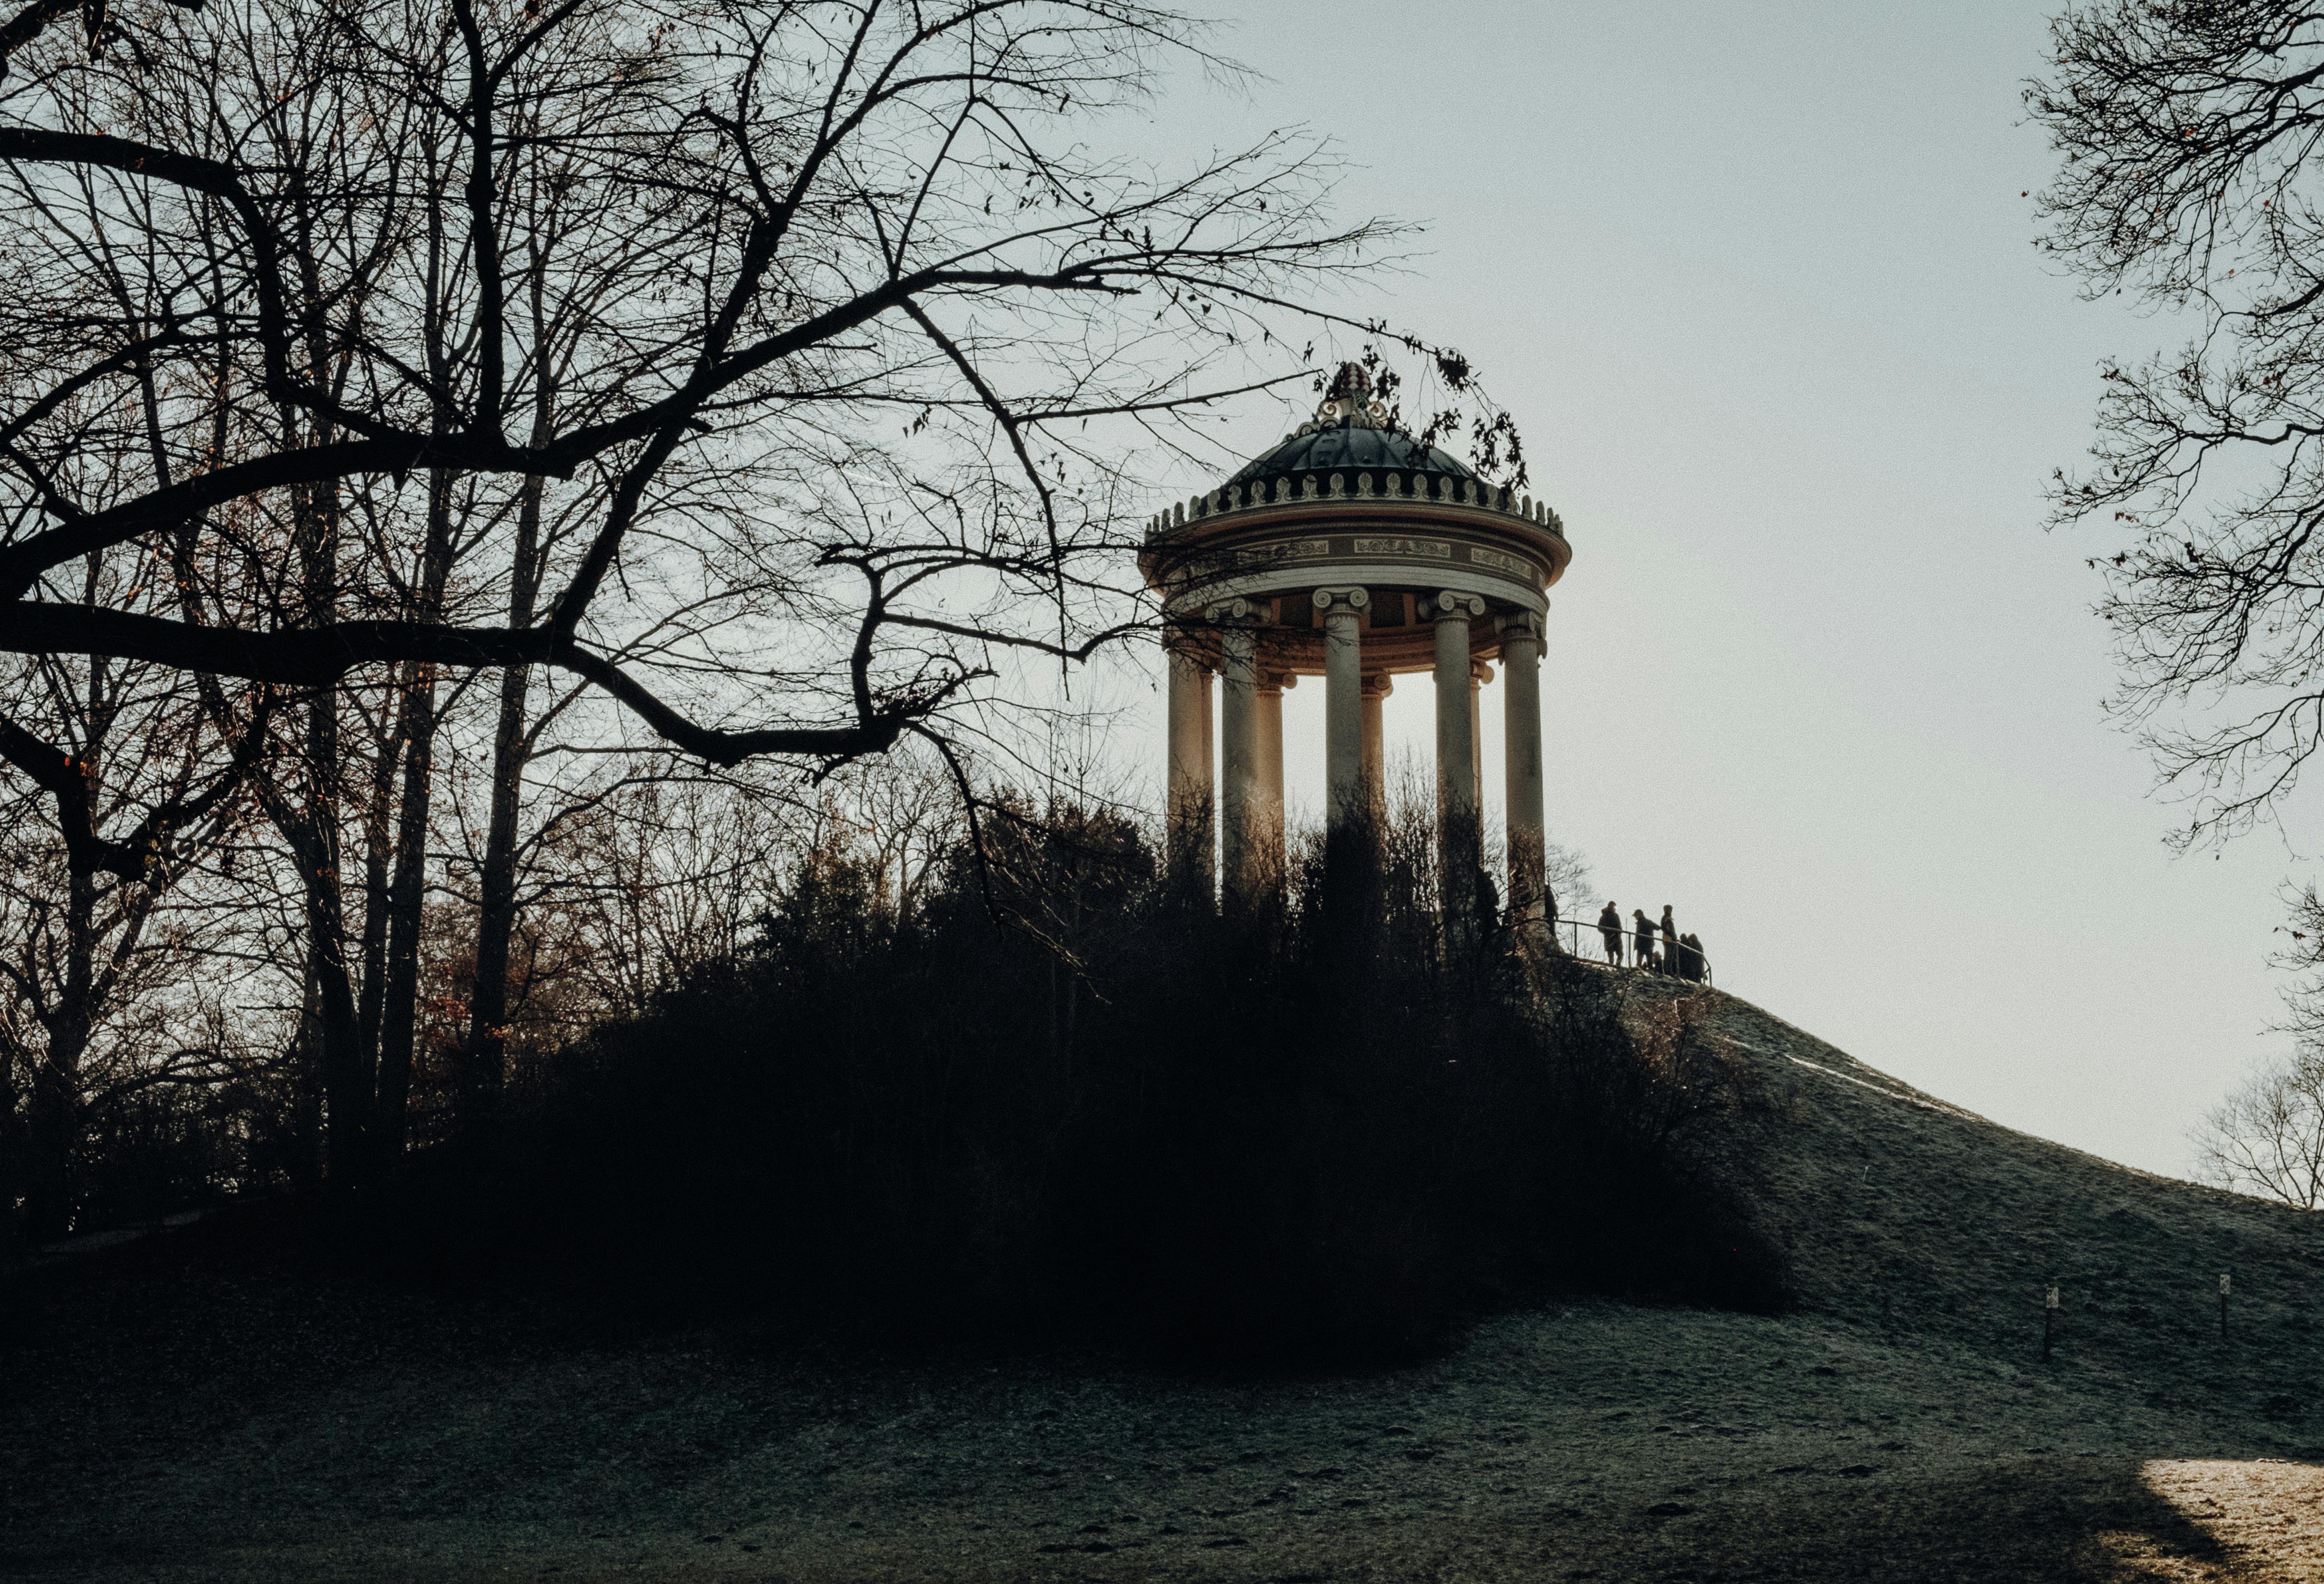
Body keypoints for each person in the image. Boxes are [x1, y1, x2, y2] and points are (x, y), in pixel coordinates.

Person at [1597, 901, 1623, 965]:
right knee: (1611, 954)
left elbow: (1619, 926)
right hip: (1609, 938)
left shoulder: (1616, 916)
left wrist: (1619, 931)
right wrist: (1607, 931)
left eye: (1615, 907)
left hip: (1617, 937)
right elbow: (1600, 927)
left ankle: (1618, 965)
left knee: (1621, 954)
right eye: (1613, 907)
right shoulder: (1604, 916)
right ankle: (1612, 965)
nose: (1614, 909)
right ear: (1610, 907)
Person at [1632, 907, 1656, 972]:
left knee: (1639, 962)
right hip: (1650, 944)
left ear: (1640, 915)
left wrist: (1636, 945)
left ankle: (1639, 970)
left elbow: (1638, 935)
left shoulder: (1640, 923)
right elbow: (1658, 927)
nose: (1635, 917)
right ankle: (1651, 972)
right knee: (1650, 962)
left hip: (1641, 945)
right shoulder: (1650, 922)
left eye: (1636, 916)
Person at [1659, 905, 1679, 976]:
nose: (1670, 911)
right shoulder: (1665, 918)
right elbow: (1664, 928)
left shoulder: (1669, 919)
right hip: (1668, 939)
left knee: (1671, 956)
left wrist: (1674, 937)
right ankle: (1667, 971)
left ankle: (1670, 971)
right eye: (1669, 910)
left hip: (1672, 940)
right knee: (1668, 956)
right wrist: (1671, 935)